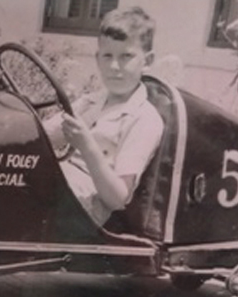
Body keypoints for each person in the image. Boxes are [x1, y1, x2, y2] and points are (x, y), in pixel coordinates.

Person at [49, 6, 165, 228]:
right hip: (60, 184)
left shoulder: (144, 119)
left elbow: (117, 198)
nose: (114, 67)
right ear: (98, 58)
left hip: (83, 211)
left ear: (147, 61)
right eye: (107, 56)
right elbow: (42, 135)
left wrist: (86, 145)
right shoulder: (91, 101)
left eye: (126, 57)